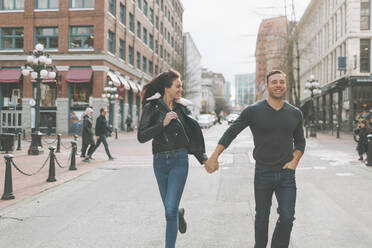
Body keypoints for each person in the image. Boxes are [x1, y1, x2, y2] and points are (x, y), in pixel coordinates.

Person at [205, 70, 306, 248]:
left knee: (288, 217)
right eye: (274, 82)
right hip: (263, 173)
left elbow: (300, 142)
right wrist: (214, 156)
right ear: (267, 86)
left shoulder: (295, 113)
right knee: (261, 218)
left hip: (286, 175)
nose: (278, 85)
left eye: (281, 82)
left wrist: (294, 163)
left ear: (286, 85)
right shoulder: (253, 111)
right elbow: (231, 132)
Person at [137, 69, 208, 248]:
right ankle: (179, 212)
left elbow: (192, 135)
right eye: (178, 86)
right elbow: (142, 136)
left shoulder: (182, 108)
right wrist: (163, 123)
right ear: (167, 88)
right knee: (171, 209)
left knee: (169, 211)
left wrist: (204, 158)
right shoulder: (151, 107)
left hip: (179, 160)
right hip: (159, 161)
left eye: (181, 86)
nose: (180, 89)